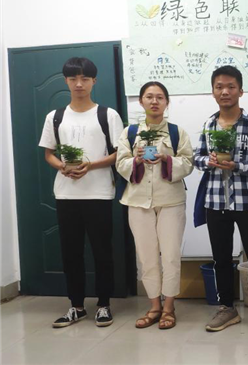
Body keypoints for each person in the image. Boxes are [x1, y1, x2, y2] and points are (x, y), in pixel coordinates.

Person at [39, 57, 124, 328]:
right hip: (66, 194)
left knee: (102, 251)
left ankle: (103, 304)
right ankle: (76, 306)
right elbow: (48, 154)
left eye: (85, 78)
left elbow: (120, 153)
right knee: (71, 252)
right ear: (66, 81)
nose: (79, 84)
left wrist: (91, 165)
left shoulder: (107, 115)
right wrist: (62, 166)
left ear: (93, 81)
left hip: (99, 193)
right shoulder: (55, 117)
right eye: (73, 79)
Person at [194, 65, 248, 332]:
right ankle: (226, 308)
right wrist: (208, 161)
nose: (225, 91)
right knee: (221, 258)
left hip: (247, 202)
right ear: (213, 92)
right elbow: (197, 158)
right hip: (215, 202)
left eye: (230, 86)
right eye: (219, 87)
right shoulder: (208, 124)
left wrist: (237, 166)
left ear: (240, 90)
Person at [116, 81, 193, 330]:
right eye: (149, 97)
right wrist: (136, 160)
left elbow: (188, 163)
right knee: (146, 257)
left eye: (160, 97)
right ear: (141, 101)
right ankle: (154, 307)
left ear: (167, 102)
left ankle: (169, 307)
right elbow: (120, 163)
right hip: (138, 202)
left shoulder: (177, 132)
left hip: (171, 201)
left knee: (170, 256)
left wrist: (166, 159)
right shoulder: (130, 133)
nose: (154, 101)